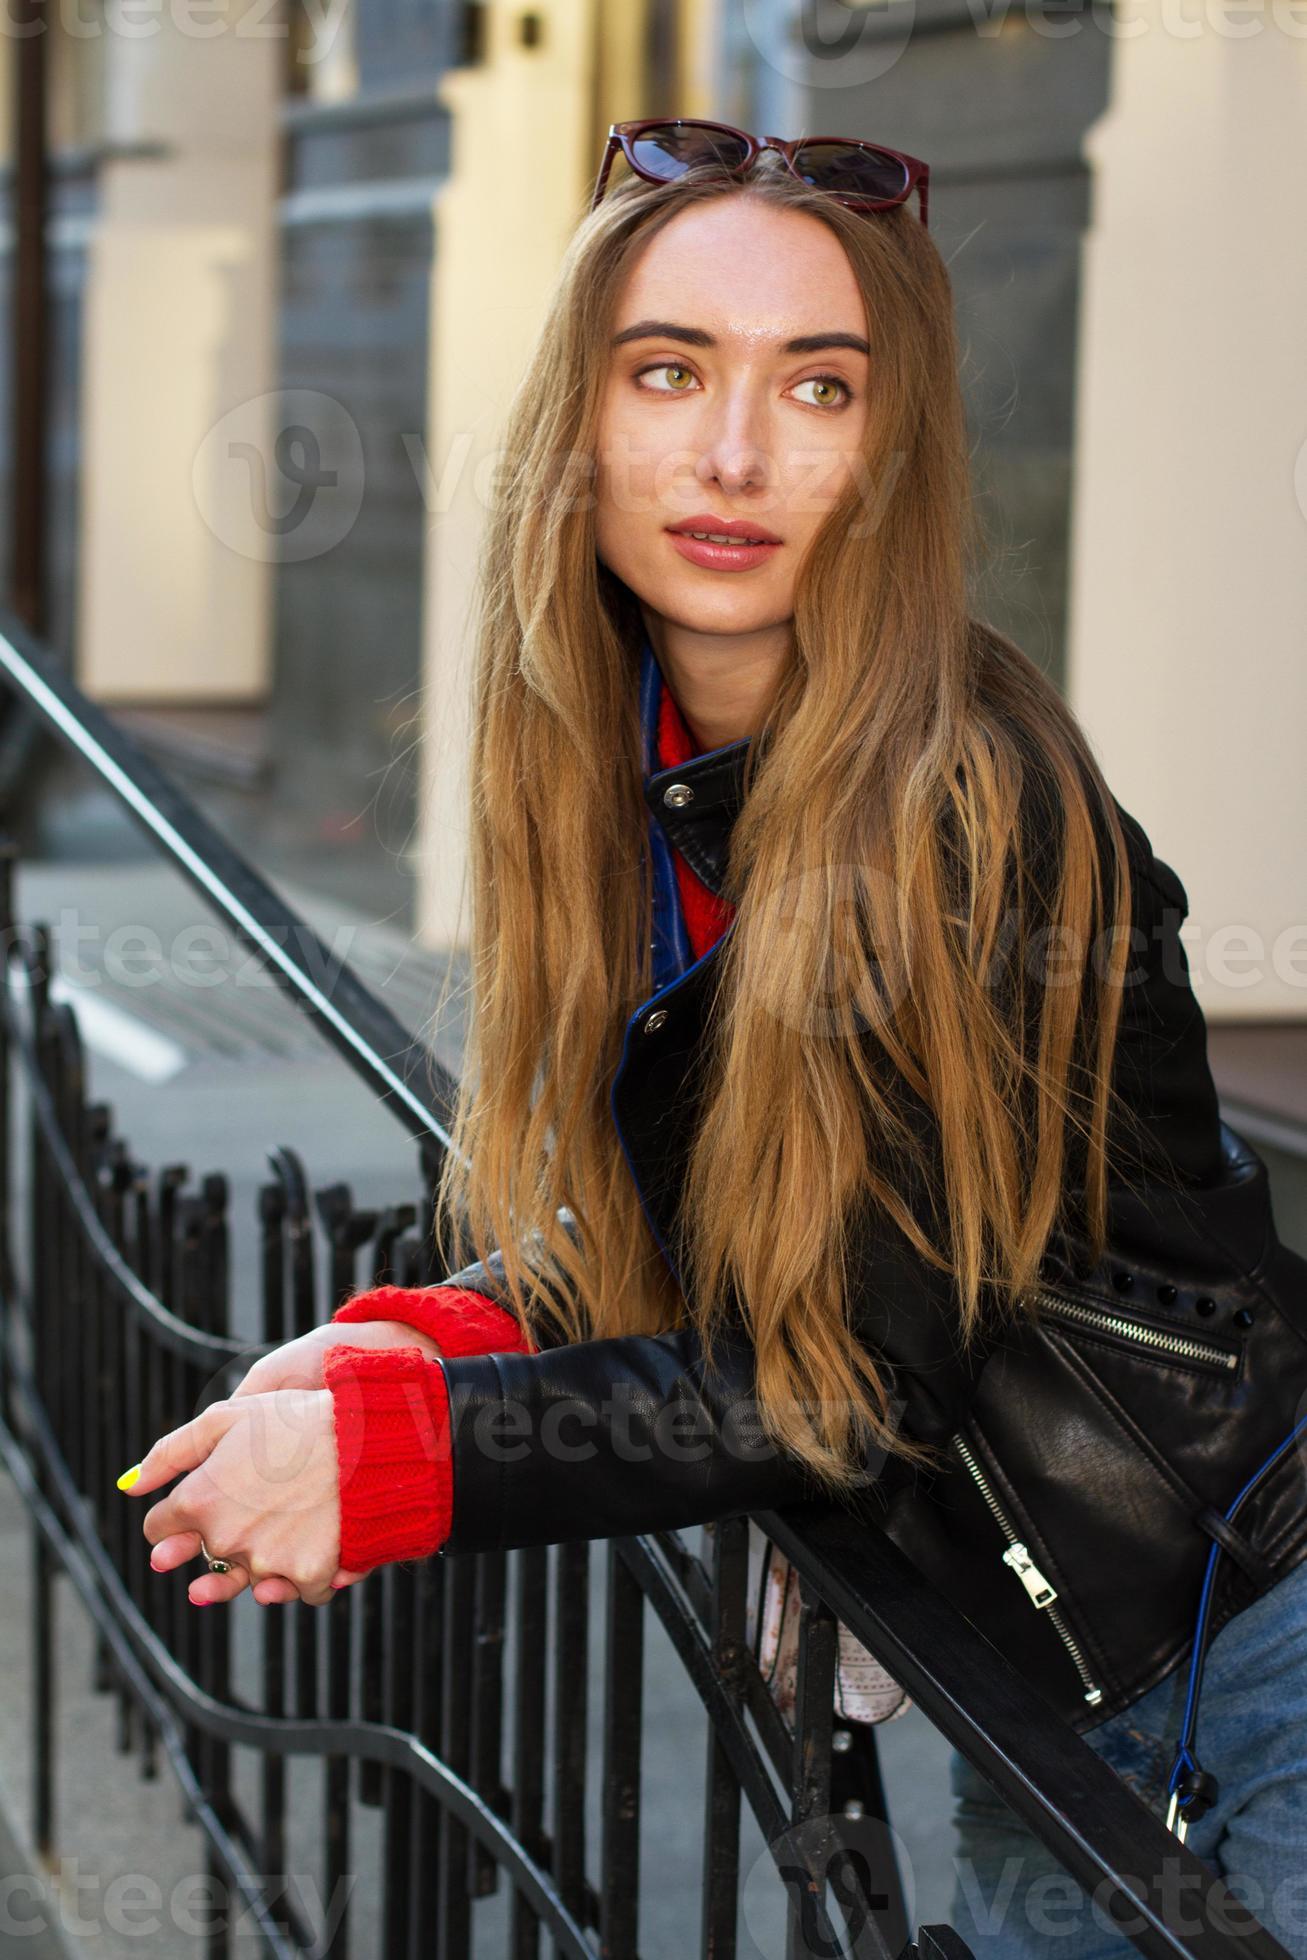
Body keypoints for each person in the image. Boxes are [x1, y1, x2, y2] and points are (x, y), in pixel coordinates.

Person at [116, 122, 1307, 1956]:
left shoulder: (976, 815)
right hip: (1054, 1663)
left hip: (1237, 1664)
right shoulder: (642, 772)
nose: (735, 455)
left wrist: (405, 1455)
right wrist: (423, 1338)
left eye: (816, 388)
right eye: (670, 370)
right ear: (577, 425)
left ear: (885, 451)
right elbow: (712, 1206)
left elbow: (838, 1381)